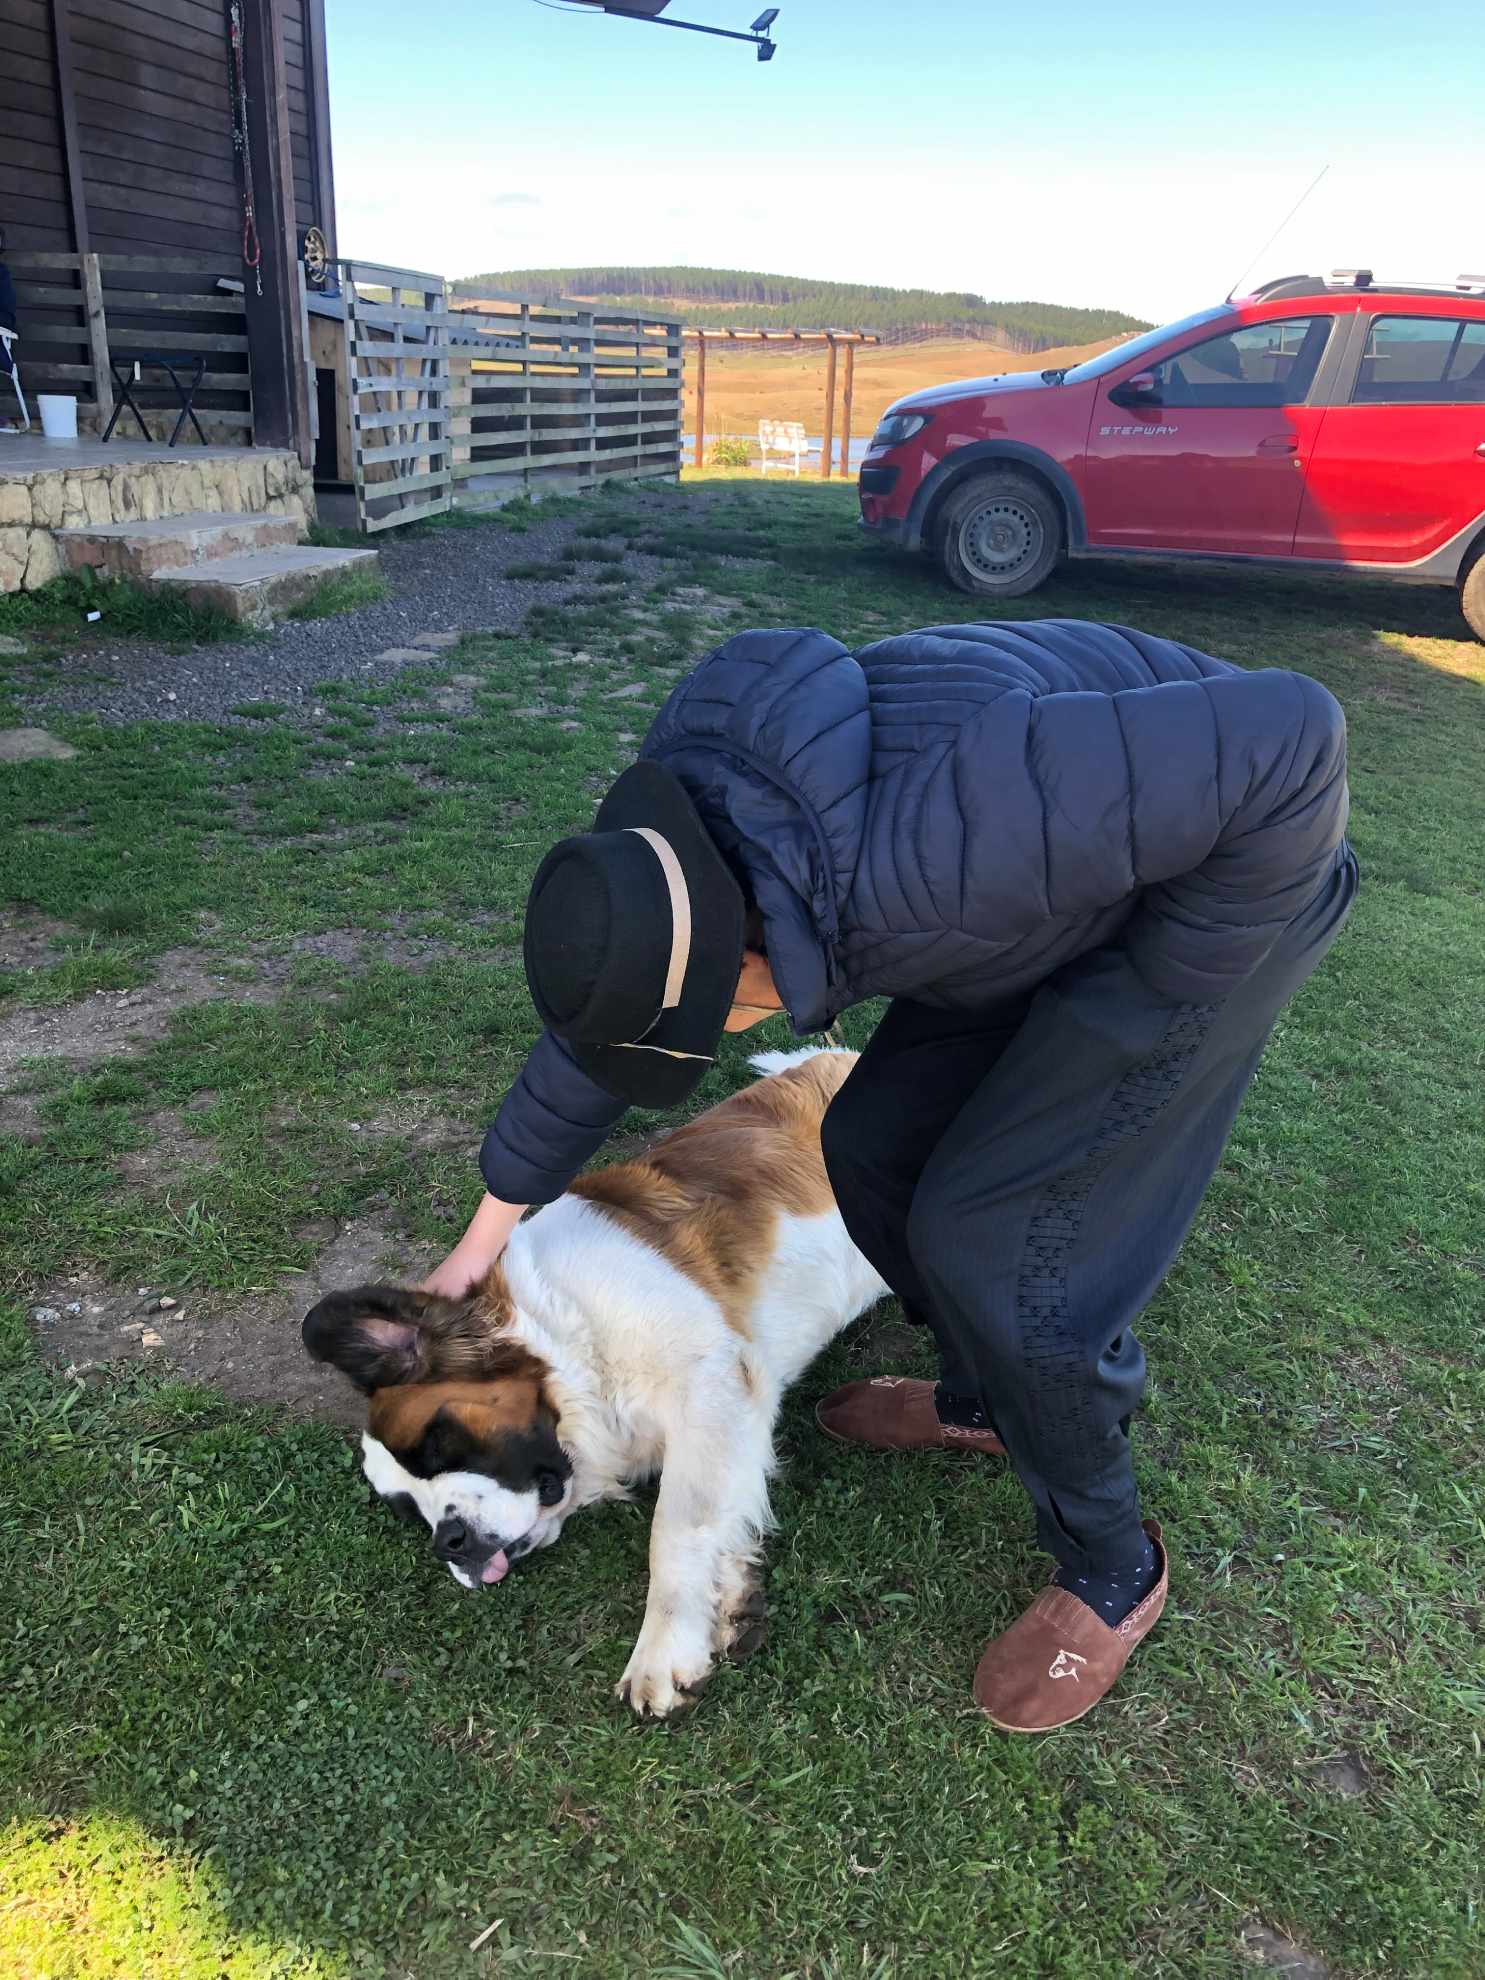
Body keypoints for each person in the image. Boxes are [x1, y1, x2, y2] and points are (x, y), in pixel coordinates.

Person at [424, 619, 1356, 1731]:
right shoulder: (694, 850)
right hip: (1056, 894)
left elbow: (1294, 737)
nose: (701, 1046)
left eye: (699, 1024)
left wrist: (1151, 1000)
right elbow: (601, 1037)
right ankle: (981, 1400)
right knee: (869, 1147)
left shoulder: (931, 855)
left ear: (745, 956)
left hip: (1205, 905)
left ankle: (1111, 1561)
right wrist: (483, 1242)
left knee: (1005, 1247)